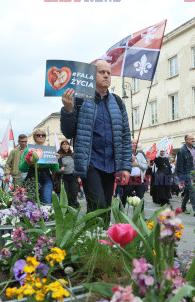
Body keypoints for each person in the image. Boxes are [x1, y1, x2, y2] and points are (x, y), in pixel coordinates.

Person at [61, 60, 132, 217]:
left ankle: (99, 239)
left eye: (108, 72)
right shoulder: (79, 99)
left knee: (106, 207)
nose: (106, 75)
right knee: (98, 205)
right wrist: (68, 110)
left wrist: (126, 167)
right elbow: (68, 132)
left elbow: (125, 136)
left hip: (111, 164)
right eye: (102, 72)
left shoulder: (118, 102)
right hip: (90, 163)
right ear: (92, 76)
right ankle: (94, 238)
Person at [19, 129, 59, 204]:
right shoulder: (28, 150)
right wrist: (27, 161)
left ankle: (46, 215)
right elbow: (22, 169)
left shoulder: (50, 151)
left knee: (47, 201)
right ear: (34, 137)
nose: (41, 136)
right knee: (33, 202)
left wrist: (55, 160)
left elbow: (54, 169)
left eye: (43, 135)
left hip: (46, 178)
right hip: (32, 178)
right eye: (38, 135)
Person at [176, 134, 195, 218]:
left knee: (188, 191)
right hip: (187, 174)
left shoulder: (194, 148)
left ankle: (183, 208)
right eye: (191, 139)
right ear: (186, 140)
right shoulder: (182, 150)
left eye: (193, 139)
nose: (193, 140)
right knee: (192, 191)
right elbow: (179, 165)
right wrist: (181, 177)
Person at [121, 138, 147, 210]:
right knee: (124, 197)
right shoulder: (125, 154)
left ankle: (140, 216)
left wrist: (137, 163)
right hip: (129, 179)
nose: (134, 144)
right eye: (133, 143)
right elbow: (121, 165)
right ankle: (120, 213)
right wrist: (130, 162)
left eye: (136, 143)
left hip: (139, 179)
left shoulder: (140, 155)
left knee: (141, 198)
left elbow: (145, 166)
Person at [57, 140, 79, 208]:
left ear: (69, 146)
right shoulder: (58, 155)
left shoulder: (73, 155)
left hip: (73, 176)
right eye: (63, 144)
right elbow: (55, 169)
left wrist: (78, 177)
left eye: (67, 144)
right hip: (64, 177)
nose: (65, 145)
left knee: (74, 192)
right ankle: (66, 208)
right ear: (61, 146)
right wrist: (60, 170)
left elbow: (77, 166)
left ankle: (73, 206)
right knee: (65, 193)